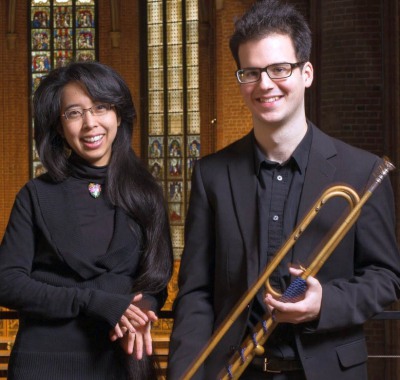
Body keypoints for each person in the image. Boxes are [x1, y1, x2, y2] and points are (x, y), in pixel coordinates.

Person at [167, 1, 400, 379]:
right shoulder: (211, 174)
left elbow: (385, 277)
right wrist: (186, 373)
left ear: (306, 73)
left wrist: (325, 302)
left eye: (279, 69)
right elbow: (196, 292)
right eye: (251, 72)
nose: (265, 84)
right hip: (235, 371)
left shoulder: (362, 170)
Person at [0, 61, 173, 380]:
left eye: (101, 107)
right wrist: (92, 301)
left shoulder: (146, 194)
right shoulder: (35, 195)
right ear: (59, 125)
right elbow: (7, 282)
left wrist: (141, 311)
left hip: (121, 363)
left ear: (118, 116)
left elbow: (155, 280)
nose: (90, 123)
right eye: (74, 112)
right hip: (46, 362)